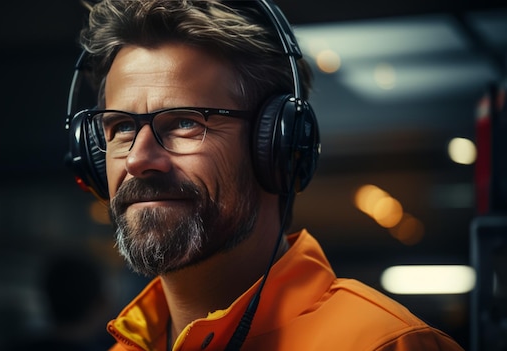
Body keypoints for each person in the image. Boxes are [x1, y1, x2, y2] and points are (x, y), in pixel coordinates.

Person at [64, 0, 466, 350]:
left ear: (276, 145)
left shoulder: (388, 345)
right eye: (122, 128)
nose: (138, 160)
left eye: (185, 122)